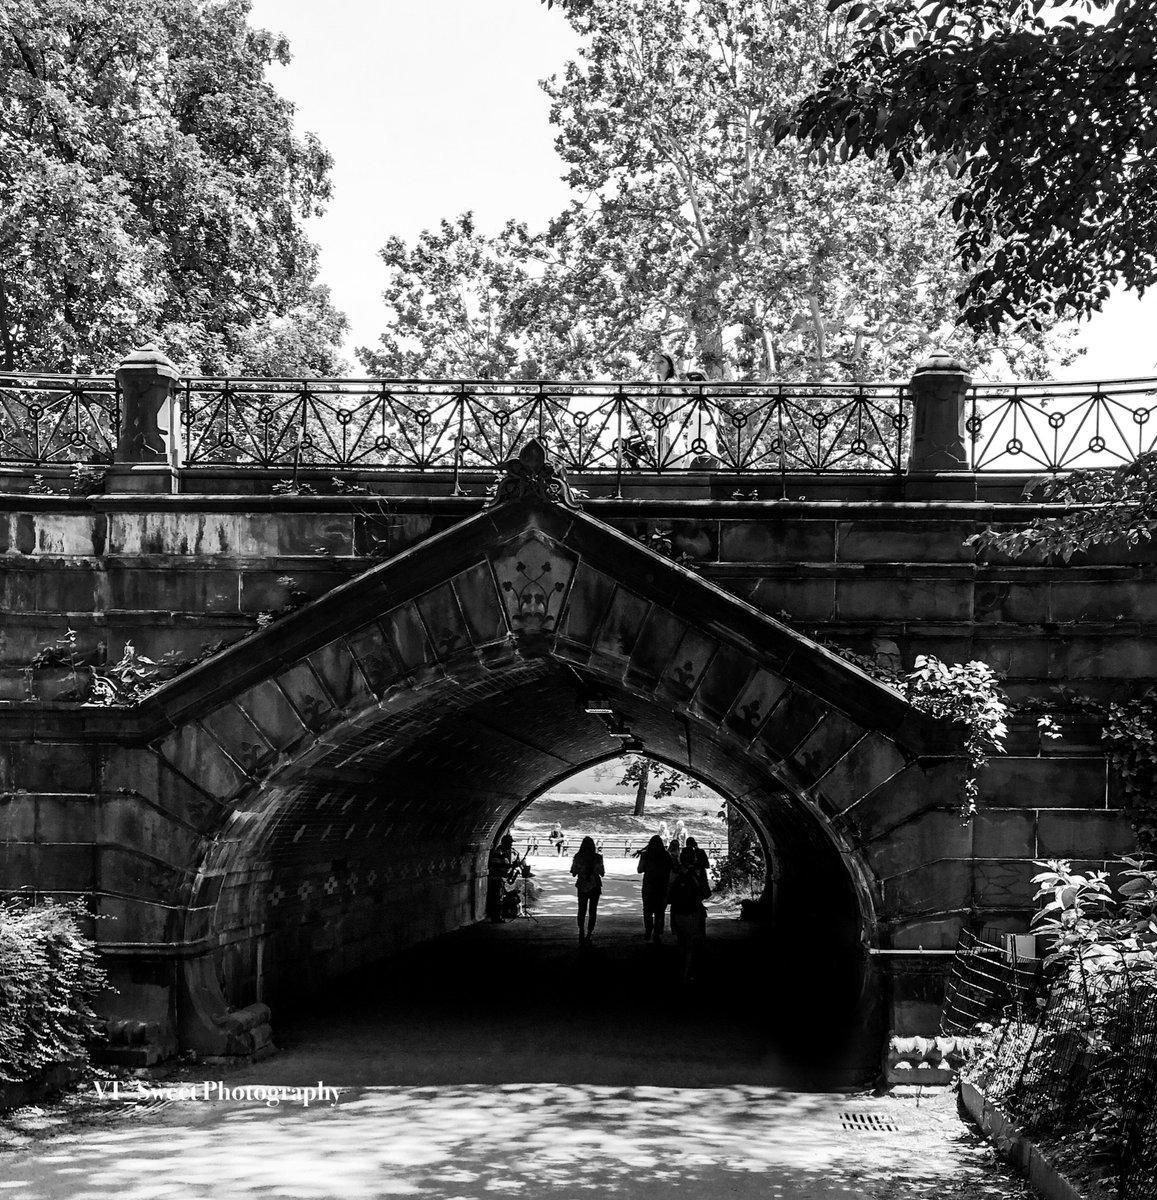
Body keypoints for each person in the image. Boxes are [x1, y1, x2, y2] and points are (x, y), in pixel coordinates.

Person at [668, 845, 710, 982]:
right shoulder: (699, 871)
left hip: (677, 910)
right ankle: (689, 971)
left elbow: (669, 892)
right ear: (694, 857)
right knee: (692, 942)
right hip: (694, 910)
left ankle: (680, 968)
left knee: (681, 940)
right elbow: (706, 892)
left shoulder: (675, 872)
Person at [636, 834, 672, 942]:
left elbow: (640, 869)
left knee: (647, 909)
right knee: (660, 911)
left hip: (648, 886)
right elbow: (671, 869)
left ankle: (648, 930)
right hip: (662, 885)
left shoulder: (645, 855)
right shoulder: (666, 855)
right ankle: (657, 933)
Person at [570, 835, 605, 944]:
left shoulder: (578, 856)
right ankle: (589, 933)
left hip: (582, 885)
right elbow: (602, 873)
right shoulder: (598, 857)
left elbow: (573, 872)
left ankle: (581, 930)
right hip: (595, 886)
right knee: (592, 910)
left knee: (581, 909)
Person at [487, 834, 515, 923]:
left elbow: (503, 867)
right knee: (496, 900)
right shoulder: (498, 853)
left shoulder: (502, 853)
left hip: (499, 879)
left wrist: (510, 867)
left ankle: (497, 916)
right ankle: (496, 917)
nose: (511, 845)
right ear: (505, 843)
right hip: (495, 880)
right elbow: (496, 867)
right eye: (510, 843)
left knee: (499, 899)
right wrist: (511, 867)